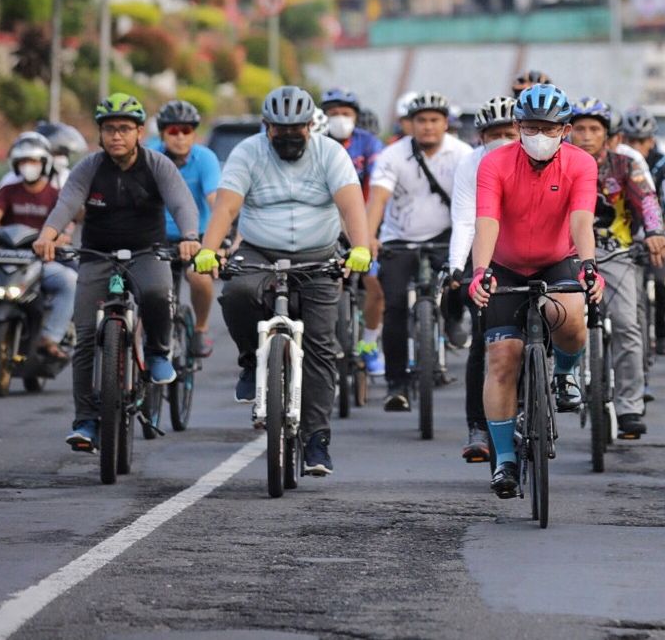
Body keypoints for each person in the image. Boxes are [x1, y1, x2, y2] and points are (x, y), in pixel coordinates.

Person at [193, 86, 371, 476]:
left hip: (318, 253)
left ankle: (317, 441)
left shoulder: (331, 154)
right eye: (280, 130)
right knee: (236, 292)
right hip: (259, 249)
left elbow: (350, 203)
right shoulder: (247, 152)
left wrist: (360, 248)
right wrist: (209, 248)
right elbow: (227, 205)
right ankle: (248, 361)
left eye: (297, 129)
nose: (289, 136)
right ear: (266, 126)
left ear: (311, 126)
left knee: (323, 345)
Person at [34, 94, 200, 452]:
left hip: (147, 252)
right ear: (100, 134)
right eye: (109, 129)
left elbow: (182, 203)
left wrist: (189, 238)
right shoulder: (89, 168)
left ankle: (157, 352)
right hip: (97, 255)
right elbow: (67, 203)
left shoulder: (158, 165)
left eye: (124, 128)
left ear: (139, 132)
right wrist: (47, 235)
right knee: (84, 335)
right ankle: (86, 421)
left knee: (157, 293)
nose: (116, 136)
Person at [466, 84, 603, 498]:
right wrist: (481, 271)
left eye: (548, 127)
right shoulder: (494, 164)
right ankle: (504, 458)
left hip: (556, 258)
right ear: (517, 126)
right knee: (502, 358)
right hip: (505, 264)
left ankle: (563, 374)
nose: (538, 135)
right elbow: (486, 220)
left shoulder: (581, 163)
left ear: (565, 129)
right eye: (530, 126)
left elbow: (582, 217)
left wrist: (588, 265)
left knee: (572, 315)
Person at [359, 91, 473, 412]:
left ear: (445, 123)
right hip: (399, 239)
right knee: (393, 306)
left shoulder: (463, 154)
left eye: (434, 120)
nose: (427, 127)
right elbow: (378, 199)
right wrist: (368, 237)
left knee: (460, 284)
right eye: (420, 120)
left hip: (446, 237)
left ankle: (452, 318)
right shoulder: (392, 156)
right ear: (409, 123)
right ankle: (396, 384)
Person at [566, 97, 665, 438]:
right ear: (567, 132)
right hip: (565, 257)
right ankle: (554, 382)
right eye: (579, 128)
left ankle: (628, 405)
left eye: (594, 129)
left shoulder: (626, 164)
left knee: (627, 326)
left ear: (609, 136)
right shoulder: (556, 162)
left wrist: (654, 232)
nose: (585, 135)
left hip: (615, 255)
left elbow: (648, 201)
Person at [448, 96, 519, 462]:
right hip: (488, 257)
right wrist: (458, 268)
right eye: (495, 134)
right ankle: (478, 426)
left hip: (534, 256)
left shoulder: (539, 159)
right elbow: (464, 219)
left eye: (510, 132)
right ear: (481, 137)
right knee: (485, 340)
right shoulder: (471, 165)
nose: (504, 139)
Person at [0, 134, 77, 359]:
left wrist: (58, 240)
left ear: (45, 164)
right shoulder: (8, 191)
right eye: (23, 161)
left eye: (34, 161)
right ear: (16, 165)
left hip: (41, 261)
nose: (28, 166)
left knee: (70, 280)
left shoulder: (56, 195)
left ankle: (51, 337)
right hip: (7, 258)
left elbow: (66, 228)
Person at [146, 100, 221, 357]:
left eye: (186, 131)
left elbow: (215, 199)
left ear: (194, 134)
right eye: (173, 131)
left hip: (196, 236)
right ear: (162, 134)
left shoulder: (206, 158)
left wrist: (221, 237)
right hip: (157, 236)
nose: (180, 138)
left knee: (199, 277)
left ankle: (200, 329)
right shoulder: (150, 155)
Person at [322, 88, 387, 375]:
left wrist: (370, 232)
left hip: (364, 220)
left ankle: (369, 346)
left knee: (375, 286)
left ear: (356, 117)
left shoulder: (369, 143)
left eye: (345, 113)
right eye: (333, 113)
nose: (339, 118)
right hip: (326, 222)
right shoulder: (316, 143)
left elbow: (377, 188)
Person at [620, 106, 665, 355]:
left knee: (660, 278)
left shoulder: (664, 159)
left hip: (654, 224)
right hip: (625, 227)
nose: (637, 146)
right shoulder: (617, 158)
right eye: (631, 140)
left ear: (652, 139)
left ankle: (661, 329)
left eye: (642, 140)